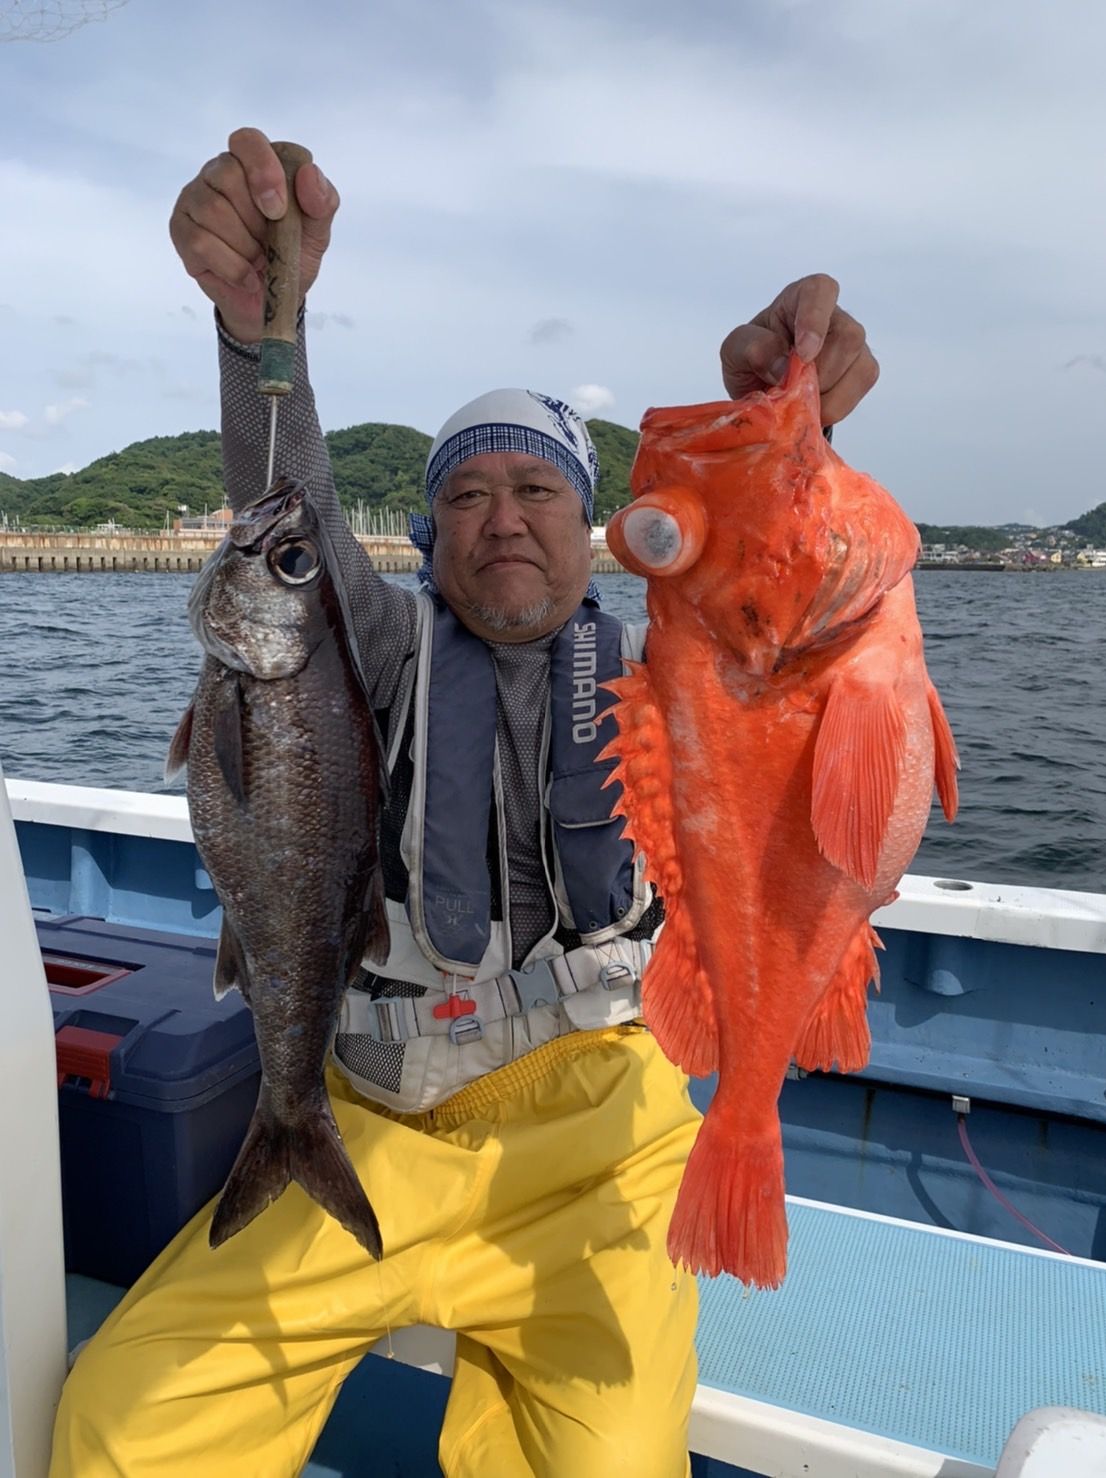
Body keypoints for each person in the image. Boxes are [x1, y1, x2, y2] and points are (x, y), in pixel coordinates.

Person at [50, 128, 879, 1477]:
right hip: (369, 1116)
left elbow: (781, 607)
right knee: (123, 1426)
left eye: (537, 488)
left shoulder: (675, 669)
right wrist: (263, 340)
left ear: (593, 526)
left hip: (601, 1144)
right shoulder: (368, 650)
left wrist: (788, 419)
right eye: (468, 495)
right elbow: (287, 512)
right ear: (428, 538)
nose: (503, 516)